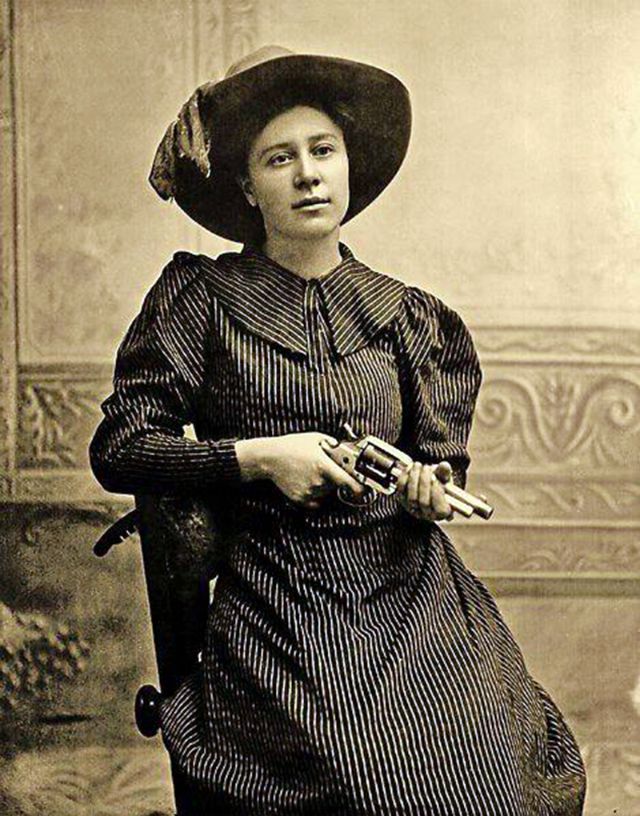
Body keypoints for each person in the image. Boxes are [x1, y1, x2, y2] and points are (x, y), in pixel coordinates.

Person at [89, 46, 586, 815]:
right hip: (280, 599)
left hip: (413, 595)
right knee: (359, 773)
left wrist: (427, 488)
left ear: (348, 166)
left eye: (323, 151)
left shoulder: (407, 315)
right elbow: (120, 449)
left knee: (485, 772)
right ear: (247, 186)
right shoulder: (203, 301)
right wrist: (260, 458)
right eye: (279, 158)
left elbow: (438, 465)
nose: (308, 175)